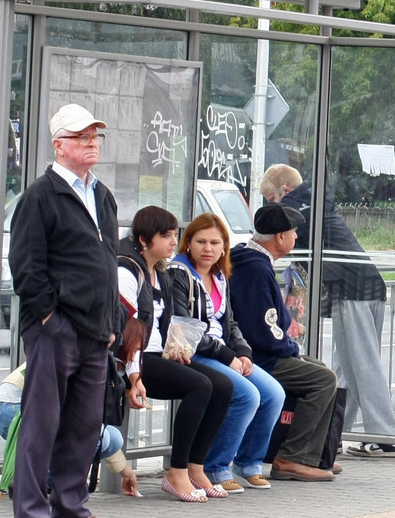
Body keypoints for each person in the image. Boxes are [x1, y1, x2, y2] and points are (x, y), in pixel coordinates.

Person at [9, 103, 122, 518]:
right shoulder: (41, 196)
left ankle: (71, 507)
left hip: (95, 333)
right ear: (59, 146)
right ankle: (32, 510)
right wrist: (49, 320)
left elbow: (107, 262)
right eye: (82, 137)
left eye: (95, 136)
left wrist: (112, 323)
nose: (92, 143)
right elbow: (26, 266)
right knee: (41, 426)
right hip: (55, 331)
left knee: (83, 429)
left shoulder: (102, 195)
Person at [260, 164, 395, 459]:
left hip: (351, 288)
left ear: (284, 191)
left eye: (271, 199)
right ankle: (333, 429)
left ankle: (385, 436)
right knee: (346, 363)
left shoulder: (294, 207)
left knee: (362, 362)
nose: (273, 207)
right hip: (365, 284)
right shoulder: (316, 199)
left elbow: (278, 239)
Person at [118, 205, 234, 503]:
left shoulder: (160, 272)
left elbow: (169, 323)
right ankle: (176, 472)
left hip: (159, 356)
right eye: (166, 235)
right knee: (200, 385)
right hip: (136, 360)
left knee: (223, 386)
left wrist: (178, 348)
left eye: (174, 235)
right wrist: (133, 377)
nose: (173, 241)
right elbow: (128, 330)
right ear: (144, 240)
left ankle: (196, 467)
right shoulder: (127, 270)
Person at [172, 213, 286, 491]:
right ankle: (214, 466)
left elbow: (230, 322)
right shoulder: (179, 273)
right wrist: (228, 357)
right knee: (247, 396)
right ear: (188, 243)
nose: (207, 248)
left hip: (224, 352)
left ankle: (249, 464)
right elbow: (186, 330)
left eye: (215, 242)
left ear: (224, 246)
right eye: (200, 241)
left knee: (274, 393)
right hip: (193, 352)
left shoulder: (220, 275)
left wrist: (244, 353)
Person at [230, 203, 339, 480]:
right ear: (280, 237)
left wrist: (292, 350)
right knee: (323, 379)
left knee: (319, 368)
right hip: (259, 356)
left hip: (261, 351)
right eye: (292, 232)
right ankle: (292, 457)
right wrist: (291, 350)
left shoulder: (250, 259)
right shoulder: (255, 268)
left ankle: (315, 454)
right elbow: (263, 330)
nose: (296, 237)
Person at [0, 364, 140, 497]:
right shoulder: (89, 352)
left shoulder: (102, 356)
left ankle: (45, 481)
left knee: (113, 437)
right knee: (89, 434)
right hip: (13, 409)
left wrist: (125, 470)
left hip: (39, 407)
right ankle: (49, 486)